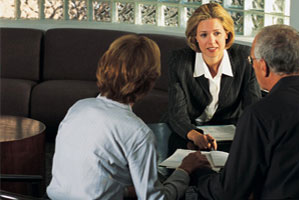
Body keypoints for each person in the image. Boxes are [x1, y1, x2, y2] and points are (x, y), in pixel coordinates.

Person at [46, 34, 210, 200]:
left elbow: (85, 179)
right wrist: (185, 170)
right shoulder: (138, 133)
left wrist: (123, 191)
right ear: (151, 80)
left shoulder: (78, 107)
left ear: (104, 66)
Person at [192, 25, 299, 199]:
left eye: (252, 61)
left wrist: (200, 172)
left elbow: (228, 192)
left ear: (263, 66)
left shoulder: (260, 114)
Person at [165, 3, 261, 150]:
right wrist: (195, 135)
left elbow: (253, 109)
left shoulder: (245, 59)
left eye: (217, 33)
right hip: (186, 134)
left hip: (230, 137)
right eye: (204, 35)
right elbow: (177, 114)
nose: (211, 41)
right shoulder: (179, 61)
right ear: (195, 37)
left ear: (227, 34)